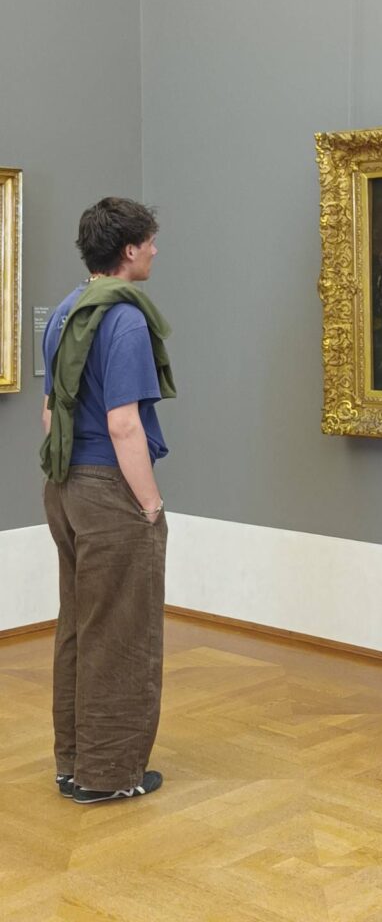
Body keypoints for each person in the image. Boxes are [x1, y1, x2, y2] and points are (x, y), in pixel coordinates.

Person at [41, 196, 175, 804]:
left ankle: (73, 763)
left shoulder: (64, 311)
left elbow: (50, 415)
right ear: (129, 249)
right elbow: (124, 425)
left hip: (63, 486)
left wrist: (69, 484)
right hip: (108, 492)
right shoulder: (125, 319)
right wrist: (150, 506)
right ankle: (109, 775)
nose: (155, 251)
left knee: (79, 627)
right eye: (149, 242)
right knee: (122, 633)